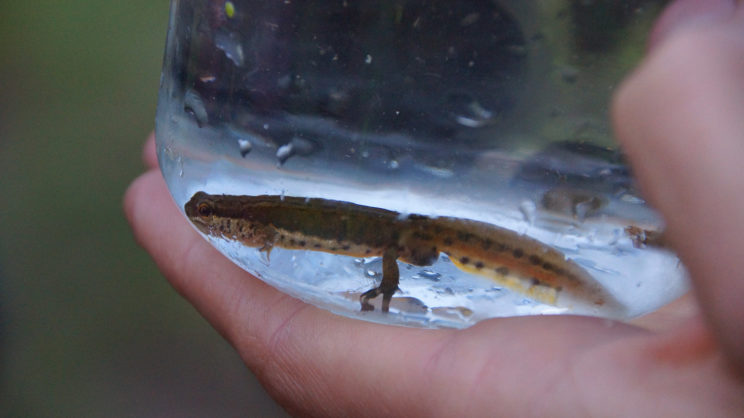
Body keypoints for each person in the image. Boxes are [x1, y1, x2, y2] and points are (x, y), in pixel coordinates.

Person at [124, 1, 744, 415]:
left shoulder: (261, 222)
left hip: (397, 236)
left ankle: (552, 281)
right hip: (391, 234)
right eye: (211, 218)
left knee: (396, 250)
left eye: (212, 219)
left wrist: (384, 291)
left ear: (234, 221)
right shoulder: (256, 221)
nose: (210, 224)